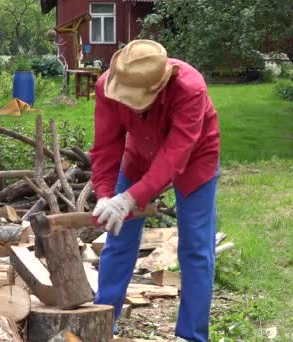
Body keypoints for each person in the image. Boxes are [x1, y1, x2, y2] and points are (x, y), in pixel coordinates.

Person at [89, 40, 220, 342]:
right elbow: (106, 145)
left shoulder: (190, 88)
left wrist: (131, 198)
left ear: (158, 87)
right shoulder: (107, 86)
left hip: (196, 157)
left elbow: (175, 156)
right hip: (138, 155)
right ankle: (103, 321)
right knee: (117, 237)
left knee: (196, 248)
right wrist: (107, 195)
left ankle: (191, 335)